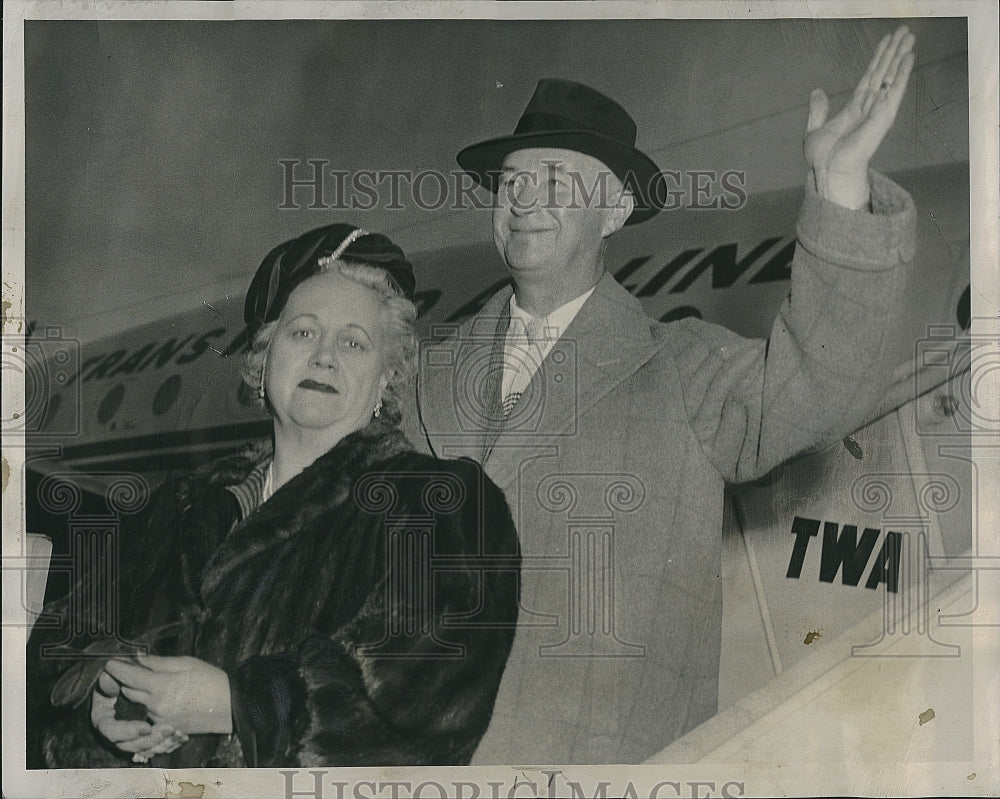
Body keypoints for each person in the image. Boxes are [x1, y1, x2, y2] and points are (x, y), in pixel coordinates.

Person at [401, 27, 918, 762]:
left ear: (614, 211)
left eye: (555, 180)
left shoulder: (683, 368)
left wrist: (838, 191)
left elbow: (821, 387)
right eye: (511, 181)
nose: (521, 200)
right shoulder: (425, 381)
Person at [27, 224, 520, 768]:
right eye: (302, 333)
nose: (324, 358)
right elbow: (56, 642)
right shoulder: (179, 507)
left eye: (355, 343)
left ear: (388, 377)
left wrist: (237, 704)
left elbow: (425, 703)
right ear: (263, 363)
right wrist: (95, 686)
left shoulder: (441, 505)